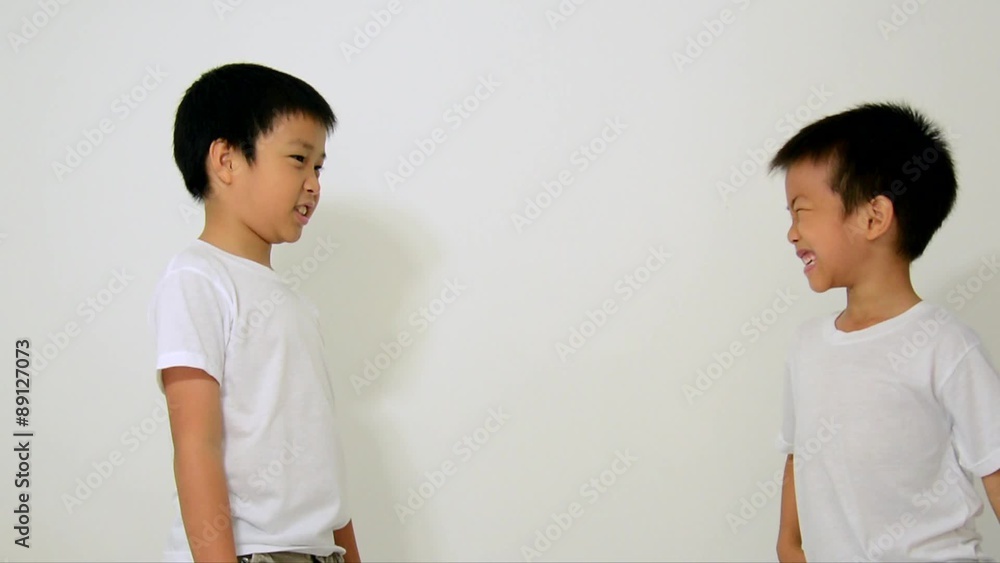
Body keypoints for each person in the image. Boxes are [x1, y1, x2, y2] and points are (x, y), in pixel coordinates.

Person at [147, 62, 360, 563]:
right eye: (298, 159)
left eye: (319, 167)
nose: (313, 184)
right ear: (226, 160)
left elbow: (323, 460)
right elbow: (195, 446)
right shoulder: (197, 278)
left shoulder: (298, 306)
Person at [769, 101, 1000, 561]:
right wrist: (789, 544)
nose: (792, 234)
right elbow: (800, 453)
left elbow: (994, 463)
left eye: (801, 211)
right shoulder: (807, 346)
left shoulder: (945, 346)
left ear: (873, 218)